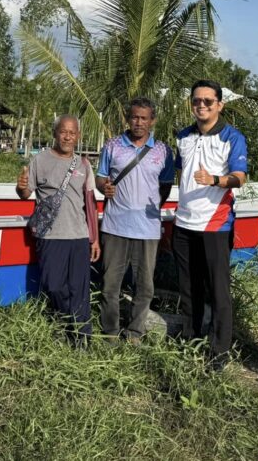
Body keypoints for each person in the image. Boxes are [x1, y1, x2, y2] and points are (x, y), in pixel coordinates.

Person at [172, 79, 248, 365]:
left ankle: (219, 351)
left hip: (215, 224)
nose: (201, 105)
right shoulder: (183, 136)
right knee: (189, 288)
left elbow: (240, 178)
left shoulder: (232, 137)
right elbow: (178, 172)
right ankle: (191, 340)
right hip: (184, 223)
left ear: (220, 105)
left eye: (207, 101)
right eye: (196, 101)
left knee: (218, 291)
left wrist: (215, 180)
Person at [95, 97, 174, 343]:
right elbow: (100, 177)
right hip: (115, 225)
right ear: (128, 118)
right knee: (110, 284)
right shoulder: (112, 145)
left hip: (148, 229)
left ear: (152, 121)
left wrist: (147, 209)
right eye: (134, 117)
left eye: (144, 118)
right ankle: (109, 333)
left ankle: (135, 333)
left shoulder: (163, 150)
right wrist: (104, 188)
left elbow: (165, 186)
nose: (138, 122)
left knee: (145, 286)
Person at [16, 115, 99, 344]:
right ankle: (66, 326)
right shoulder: (40, 160)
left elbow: (90, 204)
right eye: (63, 132)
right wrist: (20, 187)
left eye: (72, 133)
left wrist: (95, 239)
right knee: (54, 285)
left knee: (79, 291)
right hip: (51, 236)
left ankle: (82, 340)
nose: (68, 137)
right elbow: (25, 194)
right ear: (55, 133)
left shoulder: (83, 164)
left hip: (79, 236)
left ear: (78, 136)